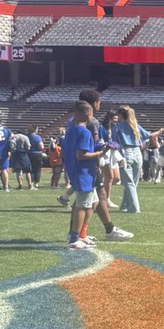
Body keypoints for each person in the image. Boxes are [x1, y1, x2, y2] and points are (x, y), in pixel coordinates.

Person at [58, 89, 133, 241]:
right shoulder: (91, 123)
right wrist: (102, 152)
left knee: (91, 199)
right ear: (92, 105)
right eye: (98, 101)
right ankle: (87, 233)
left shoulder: (72, 122)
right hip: (88, 166)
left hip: (78, 166)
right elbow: (91, 145)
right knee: (92, 199)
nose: (100, 104)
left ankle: (80, 233)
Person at [62, 100, 107, 249]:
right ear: (88, 115)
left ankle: (82, 234)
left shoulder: (71, 130)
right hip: (83, 173)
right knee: (82, 205)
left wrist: (97, 147)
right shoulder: (85, 132)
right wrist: (100, 152)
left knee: (93, 202)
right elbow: (81, 155)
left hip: (77, 171)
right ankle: (74, 238)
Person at [112, 105, 151, 213]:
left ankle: (134, 208)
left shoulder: (117, 127)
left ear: (120, 115)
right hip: (138, 153)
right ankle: (124, 206)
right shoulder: (135, 125)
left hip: (126, 153)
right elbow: (148, 135)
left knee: (129, 183)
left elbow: (114, 142)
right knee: (133, 183)